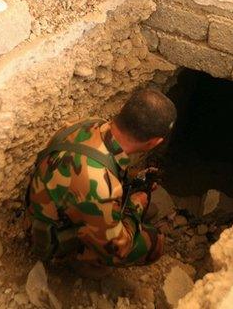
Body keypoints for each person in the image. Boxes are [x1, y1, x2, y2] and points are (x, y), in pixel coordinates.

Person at [26, 88, 177, 267]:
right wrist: (135, 205)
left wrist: (135, 179)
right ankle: (81, 266)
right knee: (153, 240)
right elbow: (118, 249)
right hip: (49, 238)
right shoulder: (103, 190)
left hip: (49, 205)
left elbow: (102, 164)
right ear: (155, 142)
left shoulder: (90, 124)